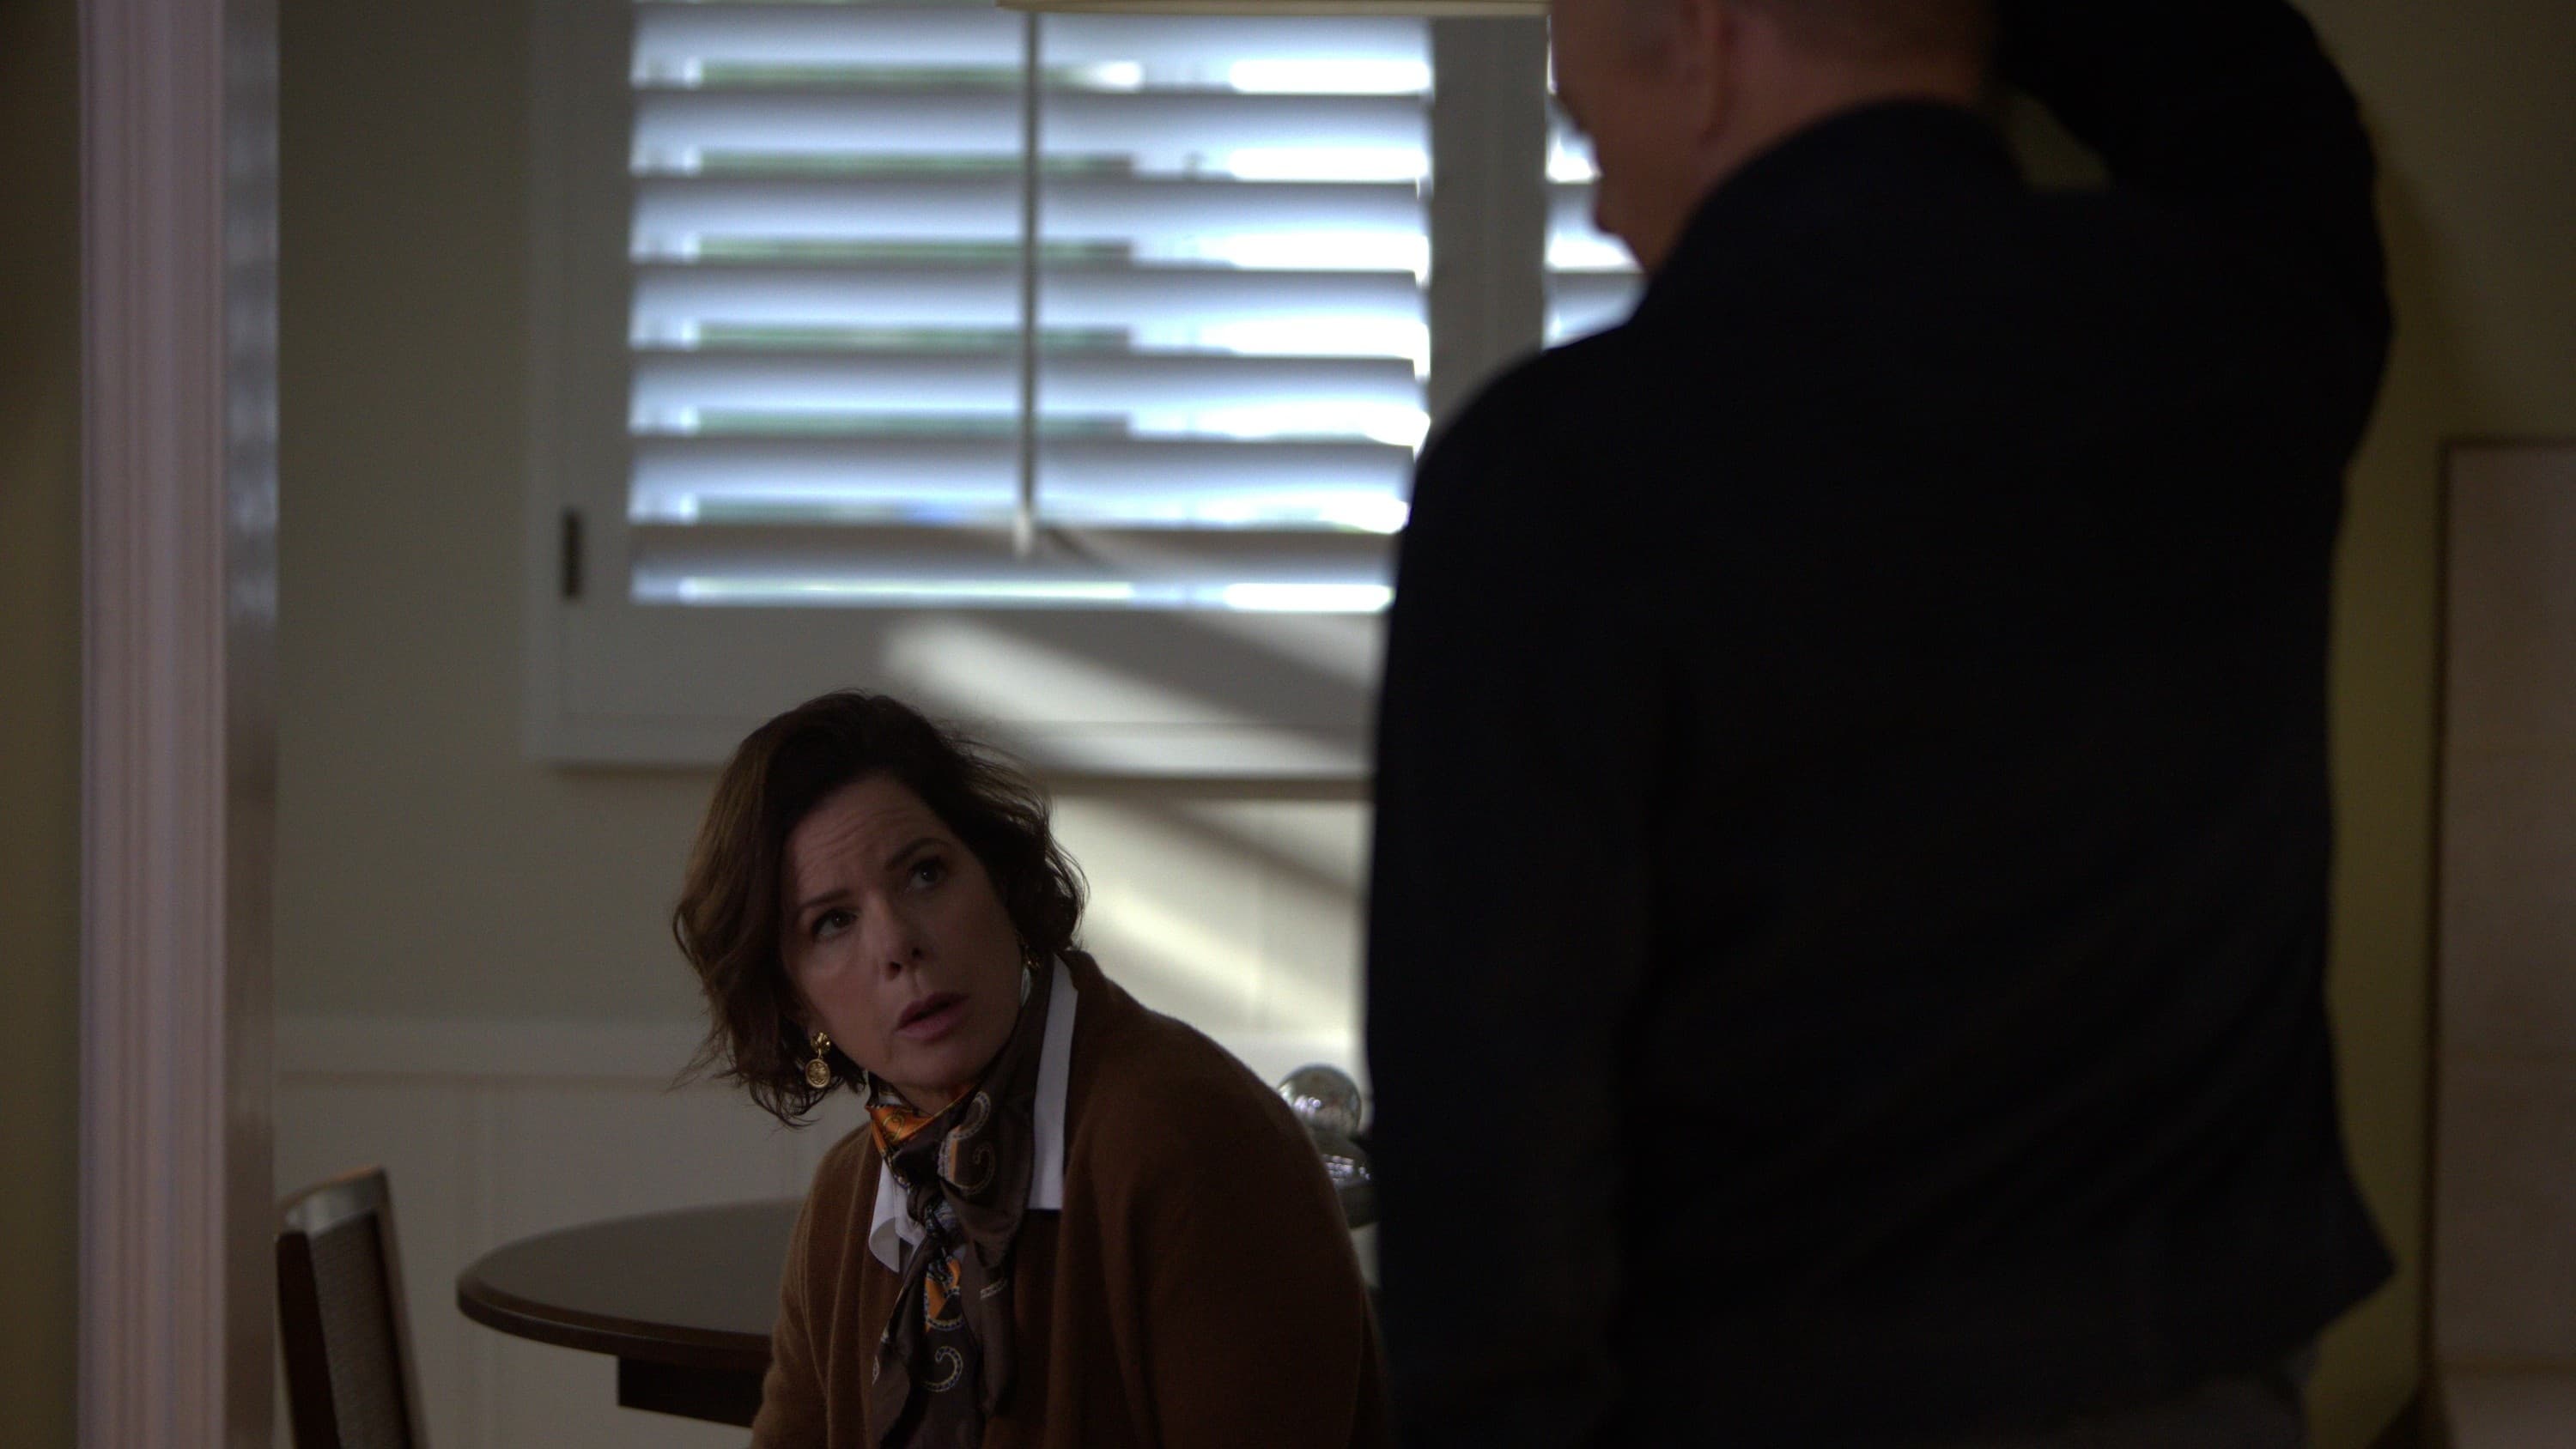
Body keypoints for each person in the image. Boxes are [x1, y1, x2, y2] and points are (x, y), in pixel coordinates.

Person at [1365, 0, 2391, 1443]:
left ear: (1711, 49)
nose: (1601, 208)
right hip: (2195, 1387)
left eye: (1590, 133)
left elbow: (1489, 1137)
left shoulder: (1555, 479)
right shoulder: (2229, 340)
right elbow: (2247, 92)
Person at [676, 690, 1386, 1448]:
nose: (897, 943)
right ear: (795, 1002)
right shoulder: (849, 1199)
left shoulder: (1188, 1135)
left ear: (999, 878)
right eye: (833, 921)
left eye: (925, 874)